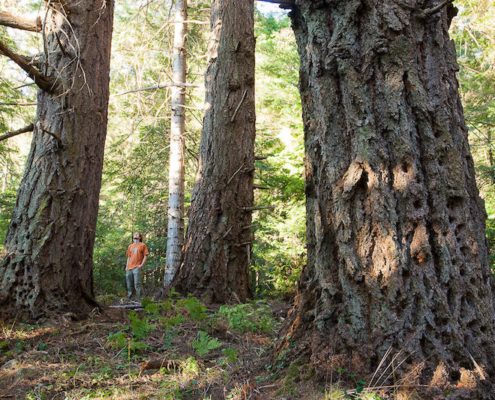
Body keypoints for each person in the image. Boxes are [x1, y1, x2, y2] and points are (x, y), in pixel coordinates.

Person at [126, 232, 148, 301]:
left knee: (137, 284)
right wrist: (127, 266)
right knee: (129, 284)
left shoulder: (143, 245)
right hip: (129, 267)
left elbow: (145, 255)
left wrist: (142, 265)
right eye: (134, 234)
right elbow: (129, 257)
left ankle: (140, 299)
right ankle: (131, 299)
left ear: (140, 237)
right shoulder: (130, 246)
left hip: (137, 267)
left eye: (137, 234)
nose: (135, 234)